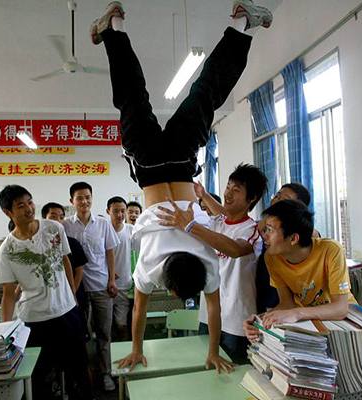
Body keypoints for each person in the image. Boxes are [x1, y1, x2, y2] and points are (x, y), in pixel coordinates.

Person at [91, 0, 272, 373]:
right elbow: (140, 310)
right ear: (169, 285)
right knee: (131, 98)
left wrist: (211, 351)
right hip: (148, 167)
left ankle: (241, 23)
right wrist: (138, 349)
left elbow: (214, 309)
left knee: (205, 94)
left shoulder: (206, 265)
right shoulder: (151, 268)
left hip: (182, 160)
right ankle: (114, 27)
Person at [160, 164, 266, 365]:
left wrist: (191, 226)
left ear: (251, 199)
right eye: (228, 186)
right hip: (208, 315)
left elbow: (234, 249)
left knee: (233, 375)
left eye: (236, 190)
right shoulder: (216, 222)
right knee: (206, 368)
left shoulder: (251, 229)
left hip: (237, 321)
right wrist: (203, 196)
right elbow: (220, 216)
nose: (228, 193)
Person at [0, 185, 92, 399]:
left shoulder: (53, 229)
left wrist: (72, 295)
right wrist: (5, 330)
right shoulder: (8, 249)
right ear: (7, 212)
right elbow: (9, 293)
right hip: (34, 320)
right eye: (21, 206)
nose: (29, 208)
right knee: (39, 375)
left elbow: (66, 259)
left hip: (66, 312)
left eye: (30, 202)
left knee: (79, 368)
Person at [243, 200, 357, 341]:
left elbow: (340, 309)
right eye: (265, 229)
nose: (264, 235)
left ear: (293, 239)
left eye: (270, 231)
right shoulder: (272, 258)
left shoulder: (331, 250)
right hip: (311, 324)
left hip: (345, 325)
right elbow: (287, 303)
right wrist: (259, 321)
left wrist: (296, 313)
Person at [63, 181, 120, 391]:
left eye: (87, 197)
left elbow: (110, 252)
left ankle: (106, 374)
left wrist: (112, 280)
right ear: (72, 201)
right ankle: (84, 375)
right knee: (80, 335)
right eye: (79, 198)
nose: (84, 201)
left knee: (104, 332)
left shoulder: (103, 224)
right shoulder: (65, 226)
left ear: (92, 199)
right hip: (76, 289)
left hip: (101, 286)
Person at [255, 182, 318, 313]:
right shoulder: (263, 229)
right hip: (264, 296)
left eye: (285, 200)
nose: (277, 201)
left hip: (294, 304)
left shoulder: (311, 237)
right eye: (277, 196)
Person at [41, 202, 90, 341]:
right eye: (53, 216)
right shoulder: (39, 244)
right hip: (51, 298)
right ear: (44, 218)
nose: (58, 220)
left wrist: (71, 293)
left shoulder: (72, 243)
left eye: (61, 217)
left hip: (74, 294)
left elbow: (79, 271)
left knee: (77, 334)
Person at [106, 196, 133, 341]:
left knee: (122, 325)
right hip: (104, 285)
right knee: (106, 326)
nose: (120, 215)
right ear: (108, 211)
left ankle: (124, 353)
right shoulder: (103, 229)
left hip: (124, 285)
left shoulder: (130, 230)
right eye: (116, 211)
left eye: (123, 211)